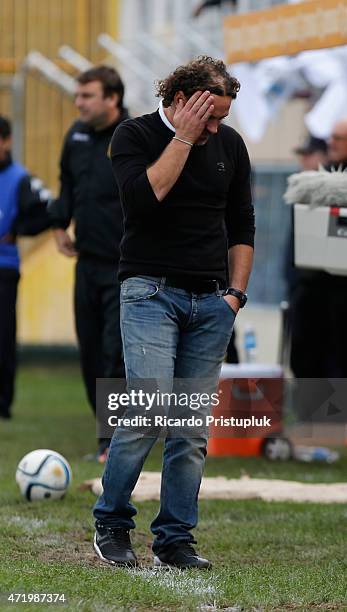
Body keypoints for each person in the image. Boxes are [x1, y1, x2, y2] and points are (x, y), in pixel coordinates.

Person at [93, 56, 255, 569]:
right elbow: (145, 198)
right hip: (149, 293)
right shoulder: (133, 135)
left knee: (190, 430)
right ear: (181, 99)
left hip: (212, 301)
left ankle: (175, 540)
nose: (216, 128)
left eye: (223, 118)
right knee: (146, 410)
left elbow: (243, 224)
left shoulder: (229, 144)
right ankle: (112, 524)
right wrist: (183, 138)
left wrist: (235, 296)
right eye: (209, 116)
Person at [48, 66, 127, 461]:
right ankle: (108, 431)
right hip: (87, 263)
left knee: (116, 352)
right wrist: (59, 223)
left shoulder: (135, 136)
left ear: (112, 98)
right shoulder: (75, 137)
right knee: (92, 352)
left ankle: (110, 441)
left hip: (126, 266)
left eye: (87, 95)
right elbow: (66, 184)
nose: (78, 102)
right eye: (78, 95)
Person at [0, 115, 51, 419]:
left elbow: (50, 208)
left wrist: (19, 228)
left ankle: (2, 402)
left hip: (3, 268)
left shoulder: (20, 178)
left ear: (6, 141)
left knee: (3, 337)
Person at [287, 123, 347, 379]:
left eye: (338, 138)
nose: (331, 143)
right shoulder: (312, 183)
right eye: (331, 136)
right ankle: (311, 416)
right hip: (311, 290)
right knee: (307, 365)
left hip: (342, 295)